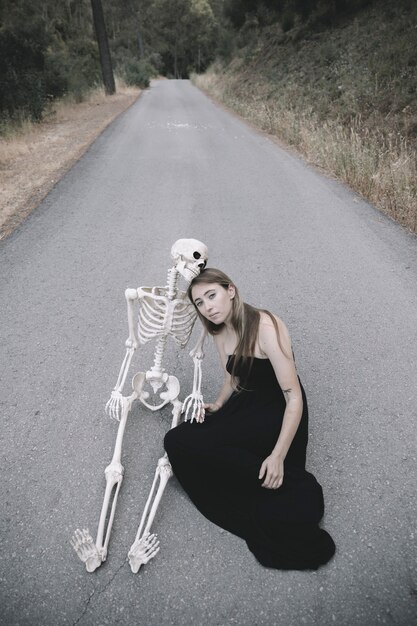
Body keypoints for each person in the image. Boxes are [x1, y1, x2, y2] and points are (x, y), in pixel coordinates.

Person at [164, 268, 335, 570]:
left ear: (230, 290)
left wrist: (278, 455)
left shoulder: (267, 326)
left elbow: (293, 397)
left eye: (212, 295)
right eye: (200, 303)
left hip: (277, 408)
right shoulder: (217, 330)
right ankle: (254, 466)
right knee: (176, 439)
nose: (208, 307)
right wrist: (218, 402)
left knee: (213, 451)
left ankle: (268, 469)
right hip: (247, 402)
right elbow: (233, 378)